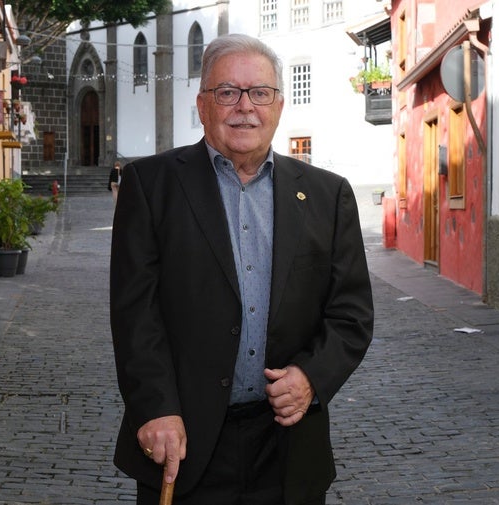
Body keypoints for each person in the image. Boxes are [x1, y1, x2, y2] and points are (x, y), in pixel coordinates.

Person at [110, 33, 373, 505]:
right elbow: (135, 314)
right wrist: (155, 408)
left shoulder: (327, 195)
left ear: (279, 104)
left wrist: (312, 377)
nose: (244, 107)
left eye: (260, 93)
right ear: (203, 104)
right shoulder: (150, 186)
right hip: (183, 442)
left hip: (288, 447)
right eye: (227, 92)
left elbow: (351, 313)